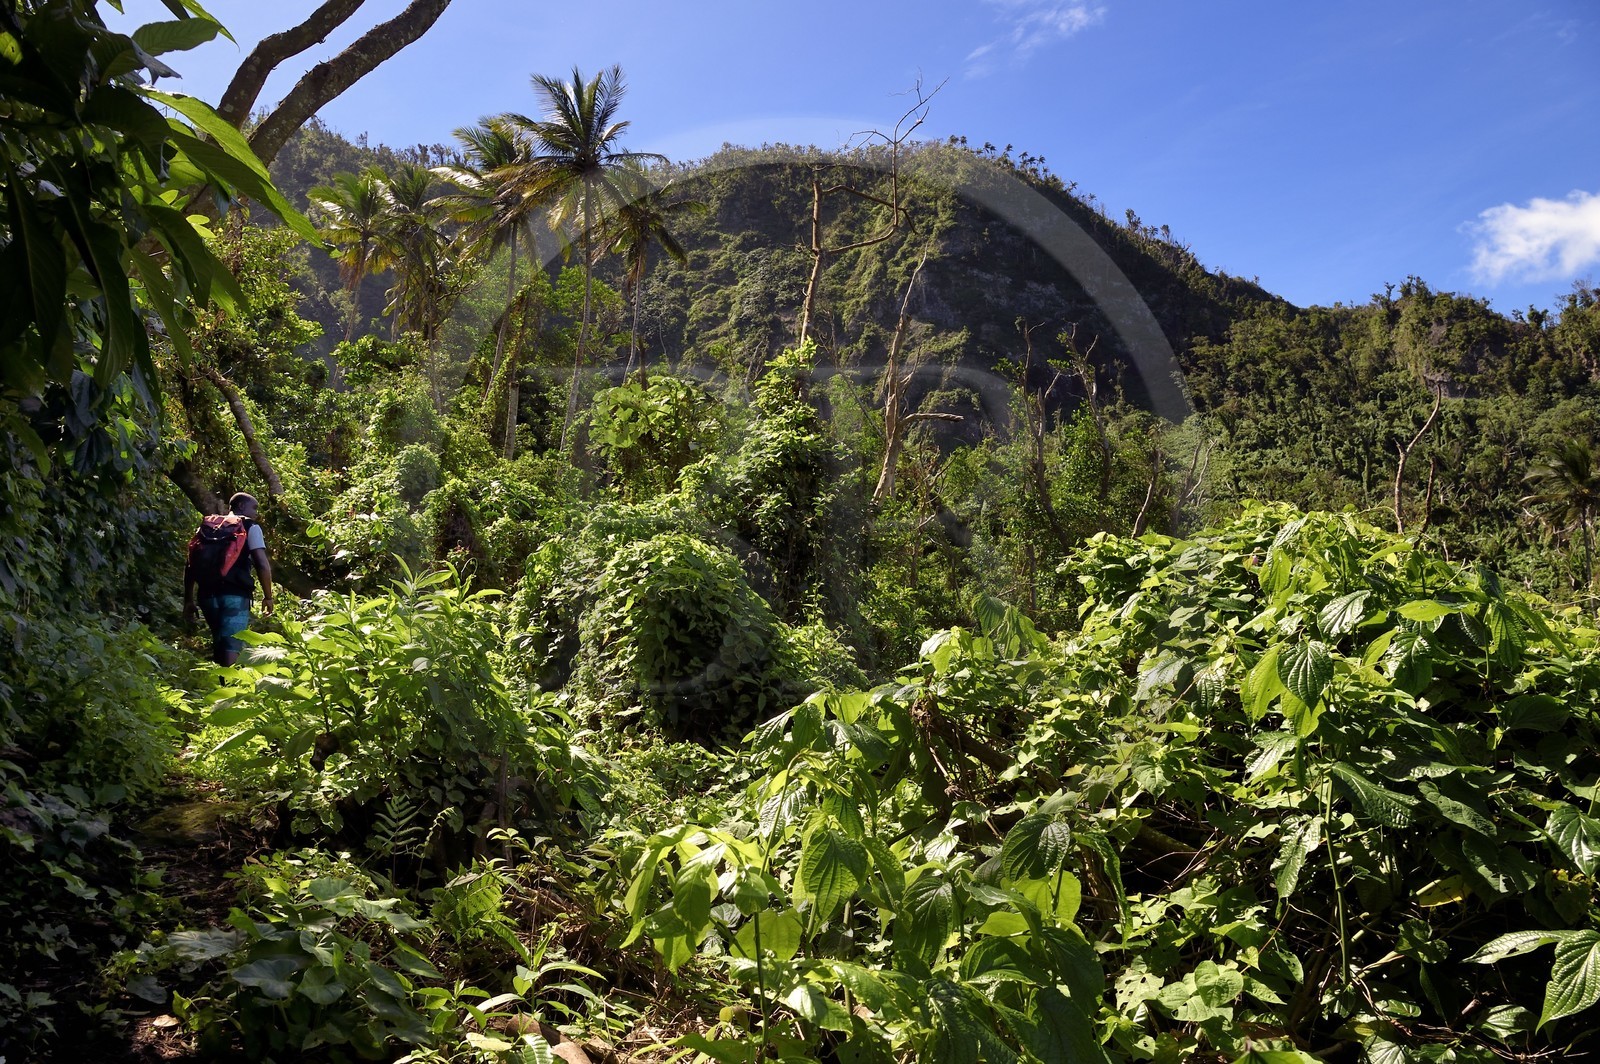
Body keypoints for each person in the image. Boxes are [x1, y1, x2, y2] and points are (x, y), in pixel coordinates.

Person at [184, 492, 274, 665]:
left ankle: (221, 685)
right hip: (235, 595)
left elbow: (190, 564)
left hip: (207, 595)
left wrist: (188, 599)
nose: (256, 512)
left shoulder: (208, 527)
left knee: (219, 641)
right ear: (240, 506)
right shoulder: (250, 527)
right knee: (232, 645)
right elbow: (262, 564)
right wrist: (268, 597)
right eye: (254, 507)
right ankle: (231, 688)